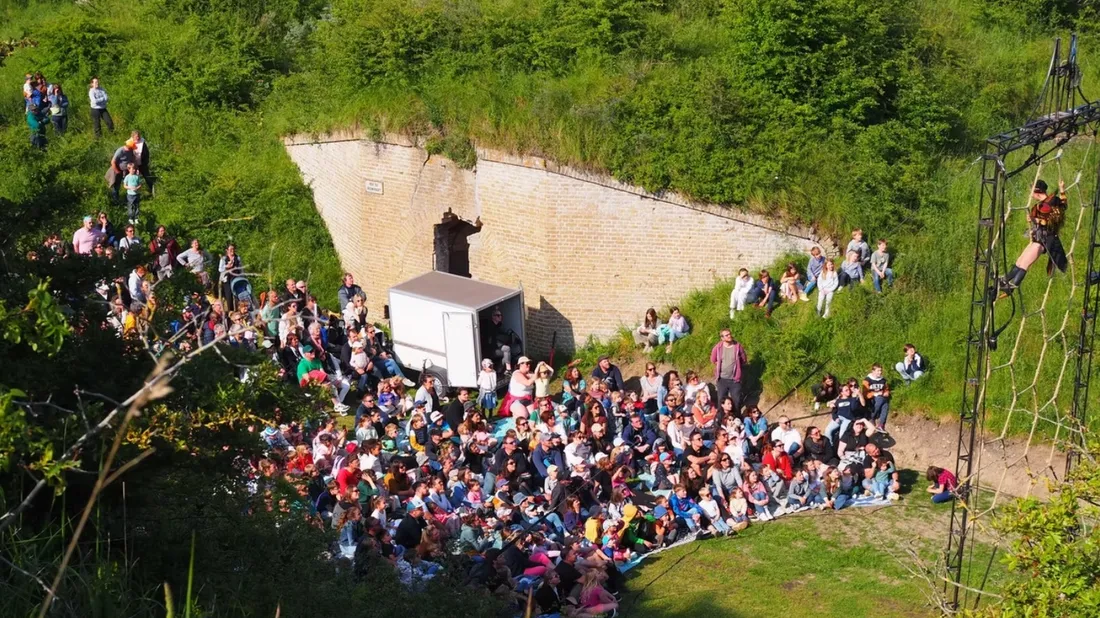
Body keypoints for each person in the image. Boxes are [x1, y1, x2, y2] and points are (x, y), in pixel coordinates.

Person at [999, 179, 1068, 297]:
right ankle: (1005, 280)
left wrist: (1062, 189)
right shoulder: (1037, 207)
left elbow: (1060, 209)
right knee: (1020, 261)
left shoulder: (1051, 201)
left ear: (1037, 191)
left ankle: (1012, 286)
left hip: (1044, 240)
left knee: (1025, 263)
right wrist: (1033, 221)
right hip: (1038, 238)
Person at [710, 329, 747, 414]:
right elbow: (713, 359)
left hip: (735, 380)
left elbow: (743, 359)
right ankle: (721, 419)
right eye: (726, 335)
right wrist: (719, 365)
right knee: (721, 400)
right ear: (722, 338)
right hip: (722, 379)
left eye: (730, 334)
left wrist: (738, 367)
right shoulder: (718, 347)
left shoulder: (737, 346)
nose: (729, 336)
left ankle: (737, 417)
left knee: (736, 400)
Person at [482, 306, 521, 372]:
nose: (500, 317)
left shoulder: (498, 325)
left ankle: (501, 369)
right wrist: (501, 344)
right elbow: (492, 340)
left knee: (507, 352)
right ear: (493, 317)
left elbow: (501, 335)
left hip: (496, 347)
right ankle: (506, 369)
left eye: (501, 315)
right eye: (498, 315)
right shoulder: (490, 327)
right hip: (491, 350)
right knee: (507, 350)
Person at [861, 363, 891, 433]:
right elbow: (865, 394)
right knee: (880, 399)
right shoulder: (867, 380)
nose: (880, 372)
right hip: (871, 400)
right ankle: (871, 416)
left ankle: (881, 424)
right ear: (873, 371)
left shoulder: (883, 380)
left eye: (881, 371)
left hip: (881, 397)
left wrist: (886, 393)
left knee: (886, 404)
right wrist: (875, 394)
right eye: (878, 371)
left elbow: (886, 389)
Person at [130, 130, 153, 196]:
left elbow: (146, 153)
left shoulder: (142, 142)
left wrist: (146, 162)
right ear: (133, 136)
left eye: (139, 136)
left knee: (147, 177)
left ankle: (151, 190)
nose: (138, 138)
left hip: (142, 163)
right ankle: (133, 193)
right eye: (136, 136)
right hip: (133, 165)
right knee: (133, 178)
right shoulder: (130, 143)